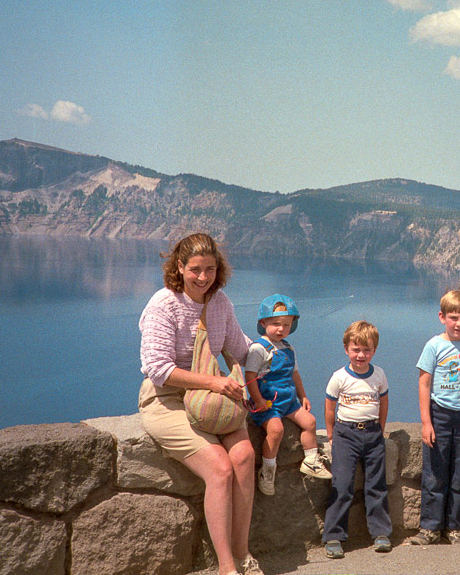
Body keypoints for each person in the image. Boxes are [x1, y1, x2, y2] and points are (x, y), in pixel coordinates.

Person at [138, 233, 263, 575]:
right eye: (195, 269)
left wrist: (269, 354)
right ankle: (226, 567)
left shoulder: (220, 303)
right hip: (167, 400)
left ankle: (243, 552)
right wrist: (213, 381)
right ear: (179, 267)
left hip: (211, 400)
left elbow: (240, 348)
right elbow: (159, 369)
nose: (203, 277)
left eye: (210, 269)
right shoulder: (163, 305)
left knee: (244, 456)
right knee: (220, 469)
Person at [406, 290, 460, 546]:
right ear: (442, 317)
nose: (458, 323)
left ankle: (454, 527)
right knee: (435, 474)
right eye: (453, 317)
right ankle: (429, 528)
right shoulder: (434, 345)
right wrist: (426, 422)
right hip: (439, 413)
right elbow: (424, 384)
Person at [245, 293, 332, 496]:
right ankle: (268, 469)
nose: (281, 329)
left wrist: (303, 396)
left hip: (288, 400)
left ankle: (310, 460)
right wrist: (258, 400)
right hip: (268, 402)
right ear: (263, 322)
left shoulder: (288, 348)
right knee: (276, 430)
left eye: (286, 324)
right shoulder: (259, 349)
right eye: (276, 323)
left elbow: (295, 374)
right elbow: (249, 377)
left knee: (310, 422)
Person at [322, 320, 392, 559]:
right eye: (356, 349)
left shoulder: (379, 374)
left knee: (376, 485)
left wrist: (380, 429)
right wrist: (331, 434)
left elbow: (383, 402)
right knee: (342, 486)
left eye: (367, 350)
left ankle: (381, 533)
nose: (361, 355)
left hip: (372, 434)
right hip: (345, 434)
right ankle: (333, 535)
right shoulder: (339, 377)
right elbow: (330, 407)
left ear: (374, 350)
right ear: (346, 349)